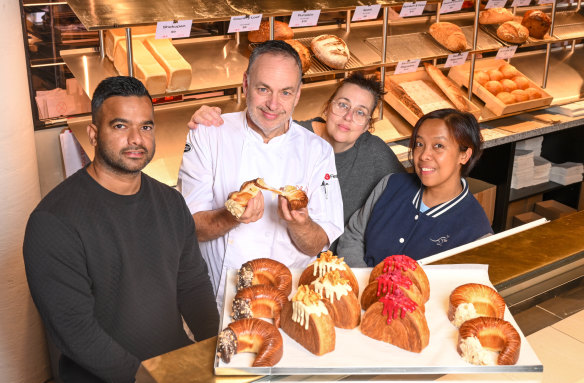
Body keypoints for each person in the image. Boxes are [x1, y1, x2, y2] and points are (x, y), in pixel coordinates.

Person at [23, 76, 219, 383]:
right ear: (93, 134)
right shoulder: (53, 221)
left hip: (177, 369)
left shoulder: (170, 202)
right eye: (120, 126)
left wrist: (217, 354)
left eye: (146, 126)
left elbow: (192, 285)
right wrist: (149, 381)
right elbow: (75, 329)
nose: (136, 139)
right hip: (108, 382)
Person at [178, 40, 344, 306]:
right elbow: (189, 227)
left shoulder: (319, 152)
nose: (273, 104)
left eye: (286, 92)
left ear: (298, 94)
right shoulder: (208, 133)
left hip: (288, 302)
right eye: (263, 89)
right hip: (217, 299)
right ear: (245, 84)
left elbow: (317, 243)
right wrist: (230, 216)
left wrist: (299, 223)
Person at [188, 72, 405, 238]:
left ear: (368, 125)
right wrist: (207, 119)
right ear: (328, 107)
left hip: (344, 257)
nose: (348, 117)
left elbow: (412, 195)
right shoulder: (293, 136)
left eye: (360, 113)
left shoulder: (376, 153)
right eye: (342, 105)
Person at [337, 108, 493, 266]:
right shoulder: (390, 185)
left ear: (464, 155)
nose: (424, 155)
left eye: (438, 145)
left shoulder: (477, 233)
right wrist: (364, 283)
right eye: (419, 144)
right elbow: (354, 236)